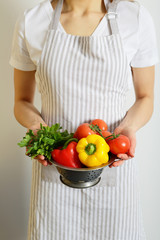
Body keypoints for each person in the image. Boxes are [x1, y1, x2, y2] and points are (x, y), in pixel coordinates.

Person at [9, 0, 159, 239]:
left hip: (113, 171)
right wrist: (37, 129)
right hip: (55, 170)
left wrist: (127, 129)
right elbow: (22, 101)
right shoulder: (32, 21)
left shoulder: (135, 18)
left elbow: (146, 97)